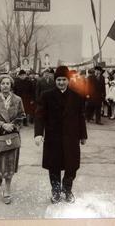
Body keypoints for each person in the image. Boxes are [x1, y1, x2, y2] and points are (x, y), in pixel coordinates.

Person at [34, 66, 87, 204]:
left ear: (68, 80)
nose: (61, 83)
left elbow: (81, 117)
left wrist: (83, 135)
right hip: (53, 138)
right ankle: (56, 191)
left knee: (71, 166)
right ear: (54, 80)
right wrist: (38, 133)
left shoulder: (76, 96)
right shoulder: (46, 95)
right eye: (58, 80)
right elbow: (39, 116)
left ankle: (67, 190)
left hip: (71, 137)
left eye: (64, 80)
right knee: (54, 166)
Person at [0, 74, 26, 204]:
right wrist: (2, 125)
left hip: (12, 135)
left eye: (8, 83)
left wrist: (13, 125)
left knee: (9, 163)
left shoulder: (18, 100)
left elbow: (22, 116)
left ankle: (7, 189)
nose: (5, 86)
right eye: (3, 83)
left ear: (11, 85)